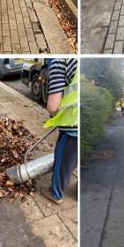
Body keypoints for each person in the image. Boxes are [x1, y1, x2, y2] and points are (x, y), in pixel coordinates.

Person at [41, 58, 78, 204]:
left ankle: (55, 193)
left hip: (72, 127)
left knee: (62, 161)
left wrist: (53, 114)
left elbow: (52, 106)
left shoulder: (60, 61)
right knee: (76, 159)